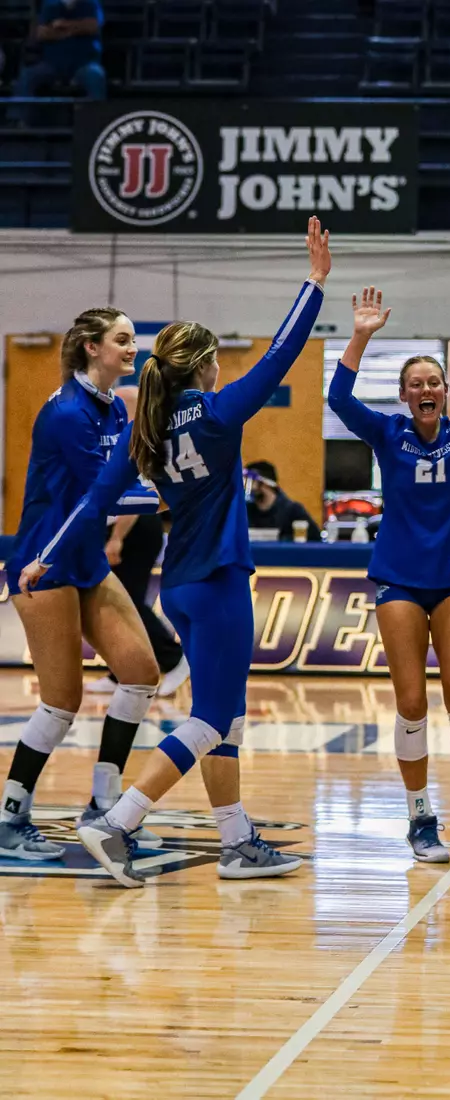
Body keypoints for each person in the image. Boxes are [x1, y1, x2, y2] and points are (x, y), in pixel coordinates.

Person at [20, 216, 332, 887]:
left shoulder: (147, 433)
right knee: (212, 716)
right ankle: (118, 820)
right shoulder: (215, 415)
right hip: (218, 580)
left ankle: (237, 840)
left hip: (179, 586)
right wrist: (314, 284)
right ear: (209, 366)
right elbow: (280, 355)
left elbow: (92, 506)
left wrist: (45, 556)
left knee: (229, 714)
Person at [327, 286, 450, 868]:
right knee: (411, 701)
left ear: (444, 391)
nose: (425, 390)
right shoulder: (388, 433)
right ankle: (419, 817)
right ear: (404, 396)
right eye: (415, 384)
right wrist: (360, 334)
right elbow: (338, 396)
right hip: (399, 578)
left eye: (433, 382)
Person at [0, 307, 162, 862]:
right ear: (92, 348)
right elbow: (110, 495)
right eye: (122, 339)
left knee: (141, 673)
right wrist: (184, 491)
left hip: (84, 559)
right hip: (42, 563)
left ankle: (105, 808)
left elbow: (118, 484)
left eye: (132, 339)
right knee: (62, 701)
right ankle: (10, 817)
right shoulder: (69, 413)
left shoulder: (112, 405)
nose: (131, 347)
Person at [87, 385, 190, 698]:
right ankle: (120, 669)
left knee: (127, 601)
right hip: (115, 525)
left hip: (134, 525)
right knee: (109, 602)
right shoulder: (114, 440)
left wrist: (116, 538)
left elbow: (138, 497)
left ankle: (173, 660)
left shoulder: (141, 442)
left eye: (122, 403)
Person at [12, 0, 106, 120]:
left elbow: (93, 26)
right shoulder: (50, 5)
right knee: (27, 76)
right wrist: (77, 29)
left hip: (84, 63)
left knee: (96, 76)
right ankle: (18, 122)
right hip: (52, 64)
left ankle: (98, 123)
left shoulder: (91, 3)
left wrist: (63, 26)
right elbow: (42, 34)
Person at [245, 460, 321, 541]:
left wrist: (286, 540)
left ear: (265, 483)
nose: (247, 487)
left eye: (251, 482)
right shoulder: (245, 511)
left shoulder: (292, 510)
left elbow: (315, 539)